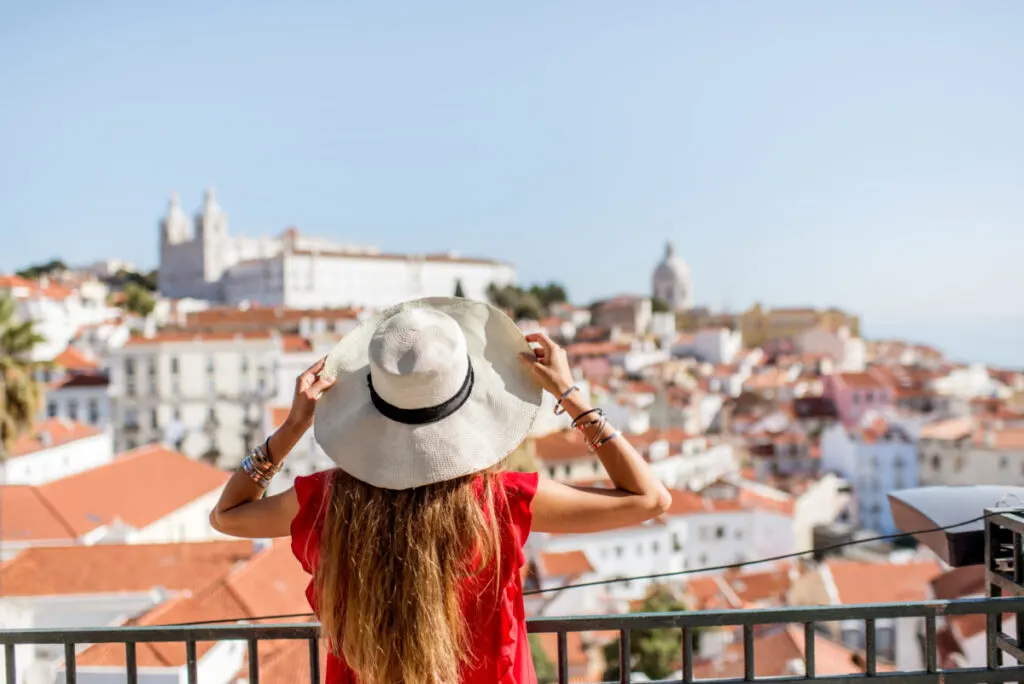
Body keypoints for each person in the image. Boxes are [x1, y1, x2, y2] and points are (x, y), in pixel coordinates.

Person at [211, 297, 672, 683]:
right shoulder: (500, 502)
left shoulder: (329, 501)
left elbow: (227, 515)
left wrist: (293, 427)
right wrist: (571, 395)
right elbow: (649, 499)